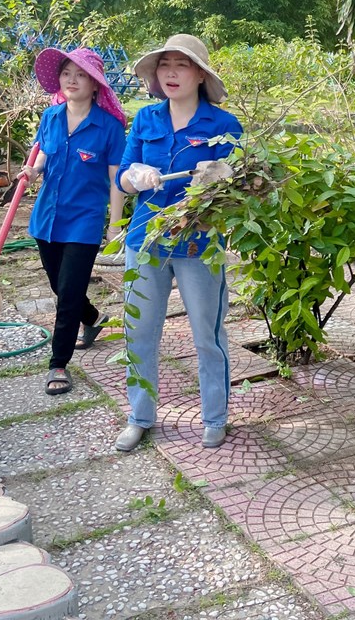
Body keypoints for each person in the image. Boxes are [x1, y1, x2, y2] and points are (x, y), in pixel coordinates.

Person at [113, 34, 243, 453]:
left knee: (207, 334)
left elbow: (243, 187)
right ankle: (140, 416)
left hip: (198, 245)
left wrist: (222, 177)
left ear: (200, 74)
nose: (170, 73)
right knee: (139, 332)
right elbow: (123, 179)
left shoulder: (223, 125)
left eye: (181, 65)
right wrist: (135, 176)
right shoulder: (146, 119)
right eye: (164, 65)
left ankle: (215, 417)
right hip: (145, 240)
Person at [26, 47, 127, 396]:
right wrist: (32, 171)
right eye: (67, 72)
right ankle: (94, 318)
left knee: (67, 296)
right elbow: (43, 155)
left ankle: (58, 364)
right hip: (46, 218)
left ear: (95, 84)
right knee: (61, 285)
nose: (72, 79)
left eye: (81, 74)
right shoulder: (50, 116)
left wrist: (115, 226)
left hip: (83, 221)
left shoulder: (109, 128)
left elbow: (116, 180)